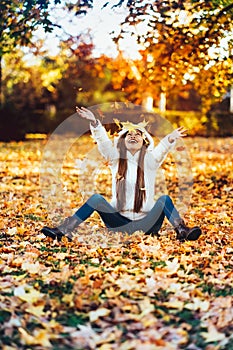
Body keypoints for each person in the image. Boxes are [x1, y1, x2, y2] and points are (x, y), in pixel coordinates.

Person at [41, 106, 202, 242]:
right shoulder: (115, 159)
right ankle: (64, 230)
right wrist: (95, 122)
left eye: (137, 134)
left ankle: (182, 230)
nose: (133, 136)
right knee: (96, 198)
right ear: (122, 141)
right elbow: (103, 142)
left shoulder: (151, 160)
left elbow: (162, 149)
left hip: (147, 224)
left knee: (164, 199)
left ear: (144, 141)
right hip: (118, 223)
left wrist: (170, 138)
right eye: (129, 135)